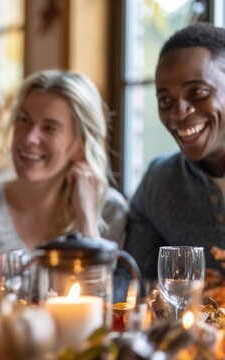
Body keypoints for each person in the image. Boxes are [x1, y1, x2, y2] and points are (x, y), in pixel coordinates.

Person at [0, 70, 129, 303]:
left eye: (49, 128)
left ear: (80, 145)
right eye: (24, 120)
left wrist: (87, 221)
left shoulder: (109, 210)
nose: (29, 137)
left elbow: (103, 310)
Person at [123, 23, 225, 287]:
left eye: (198, 92)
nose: (178, 113)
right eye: (165, 100)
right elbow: (132, 287)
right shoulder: (159, 181)